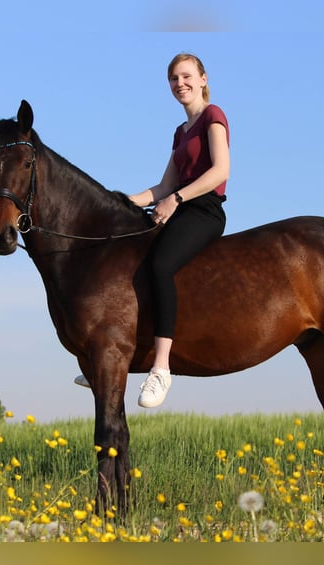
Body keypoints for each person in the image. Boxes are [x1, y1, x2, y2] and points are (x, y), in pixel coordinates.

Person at [75, 53, 230, 408]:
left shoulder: (213, 116)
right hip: (177, 205)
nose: (181, 84)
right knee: (126, 255)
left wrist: (176, 199)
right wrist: (119, 202)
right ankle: (115, 355)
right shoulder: (180, 132)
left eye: (187, 76)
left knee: (160, 265)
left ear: (203, 79)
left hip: (203, 210)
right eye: (174, 78)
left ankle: (161, 368)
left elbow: (220, 171)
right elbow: (162, 187)